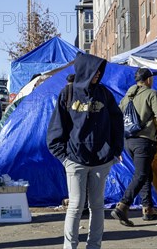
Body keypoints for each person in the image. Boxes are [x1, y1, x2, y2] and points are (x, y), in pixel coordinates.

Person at [47, 53, 124, 249]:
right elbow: (57, 127)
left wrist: (114, 151)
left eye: (100, 71)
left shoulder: (105, 94)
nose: (97, 75)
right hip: (75, 160)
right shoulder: (68, 93)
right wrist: (64, 158)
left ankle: (94, 246)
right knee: (75, 206)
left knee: (97, 206)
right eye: (94, 70)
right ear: (84, 70)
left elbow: (117, 122)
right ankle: (69, 246)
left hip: (102, 161)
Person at [111, 67, 157, 226]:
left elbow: (117, 117)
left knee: (145, 173)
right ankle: (122, 206)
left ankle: (148, 209)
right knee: (141, 174)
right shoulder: (151, 94)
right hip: (145, 141)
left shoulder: (126, 97)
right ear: (148, 79)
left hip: (128, 141)